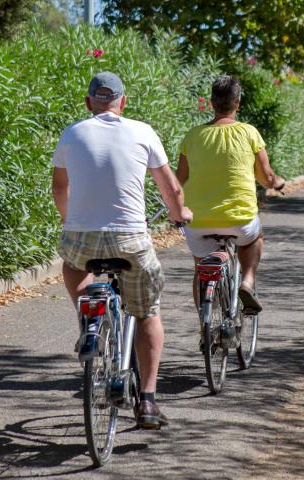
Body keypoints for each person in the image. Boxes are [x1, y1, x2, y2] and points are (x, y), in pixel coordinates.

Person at [51, 71, 192, 429]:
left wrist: (74, 222)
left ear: (88, 104)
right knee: (147, 313)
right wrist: (181, 214)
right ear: (122, 103)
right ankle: (146, 400)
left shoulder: (72, 132)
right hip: (130, 238)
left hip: (81, 236)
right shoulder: (142, 131)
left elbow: (59, 188)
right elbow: (171, 189)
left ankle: (89, 320)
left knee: (72, 267)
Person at [176, 75, 285, 314]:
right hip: (240, 220)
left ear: (212, 102)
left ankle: (204, 324)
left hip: (198, 222)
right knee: (254, 239)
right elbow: (266, 177)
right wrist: (278, 183)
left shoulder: (192, 136)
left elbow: (179, 179)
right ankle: (247, 281)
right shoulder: (249, 133)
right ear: (238, 103)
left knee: (200, 267)